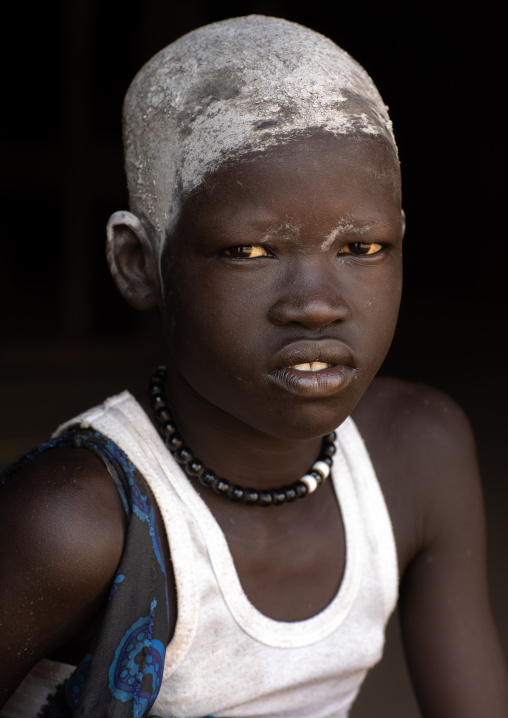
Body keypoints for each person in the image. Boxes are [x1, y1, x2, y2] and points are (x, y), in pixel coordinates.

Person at [1, 14, 507, 718]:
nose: (316, 305)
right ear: (138, 264)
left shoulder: (417, 454)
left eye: (361, 249)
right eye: (251, 252)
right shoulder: (71, 522)